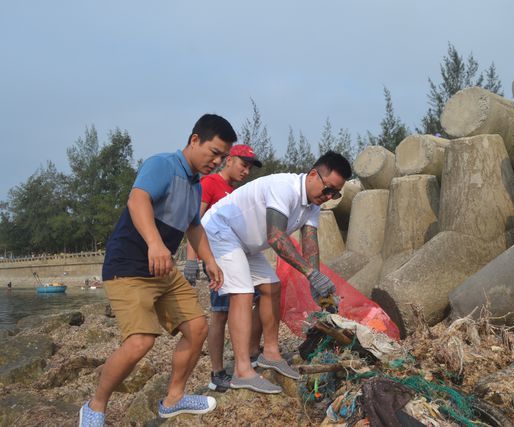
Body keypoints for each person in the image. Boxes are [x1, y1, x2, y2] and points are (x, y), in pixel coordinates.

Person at [78, 114, 237, 427]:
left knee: (197, 328)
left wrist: (210, 260)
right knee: (140, 341)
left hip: (161, 269)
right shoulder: (162, 164)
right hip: (128, 265)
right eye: (214, 152)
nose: (217, 161)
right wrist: (154, 243)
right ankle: (94, 407)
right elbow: (137, 201)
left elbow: (194, 226)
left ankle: (173, 399)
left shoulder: (195, 185)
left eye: (223, 156)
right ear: (194, 140)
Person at [201, 150, 351, 393]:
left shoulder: (312, 204)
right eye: (327, 189)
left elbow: (310, 242)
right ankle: (241, 371)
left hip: (245, 243)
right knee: (242, 293)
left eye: (335, 193)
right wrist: (311, 274)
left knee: (272, 287)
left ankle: (270, 352)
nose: (329, 196)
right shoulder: (285, 187)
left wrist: (316, 280)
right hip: (220, 231)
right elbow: (276, 236)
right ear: (313, 175)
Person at [182, 144, 265, 392]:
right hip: (216, 259)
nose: (246, 171)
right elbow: (195, 222)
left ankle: (249, 352)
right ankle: (217, 371)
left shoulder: (234, 192)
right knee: (219, 313)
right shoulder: (209, 184)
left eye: (250, 167)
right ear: (229, 160)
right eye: (243, 164)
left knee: (255, 299)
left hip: (236, 257)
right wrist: (192, 259)